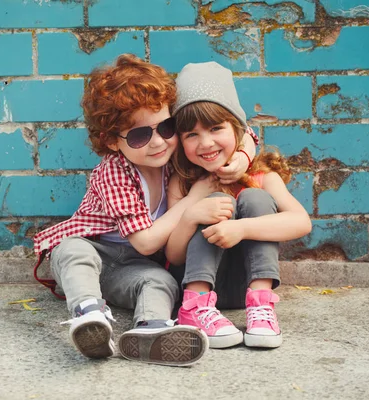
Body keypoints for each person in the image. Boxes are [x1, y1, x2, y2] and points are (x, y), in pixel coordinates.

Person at [32, 55, 257, 366]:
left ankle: (150, 331)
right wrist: (197, 198)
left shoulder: (174, 156)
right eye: (140, 135)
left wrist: (244, 157)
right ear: (112, 141)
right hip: (96, 251)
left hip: (131, 268)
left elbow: (243, 130)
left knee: (161, 282)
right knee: (71, 251)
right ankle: (89, 314)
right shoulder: (113, 172)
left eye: (166, 126)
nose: (157, 142)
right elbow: (147, 241)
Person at [166, 62, 312, 349]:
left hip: (242, 289)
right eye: (191, 135)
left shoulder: (261, 176)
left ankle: (262, 306)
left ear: (238, 130)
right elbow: (173, 254)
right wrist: (191, 216)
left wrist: (242, 228)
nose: (206, 143)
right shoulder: (182, 183)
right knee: (214, 202)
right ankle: (194, 308)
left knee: (254, 197)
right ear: (181, 141)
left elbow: (301, 222)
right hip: (194, 282)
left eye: (216, 128)